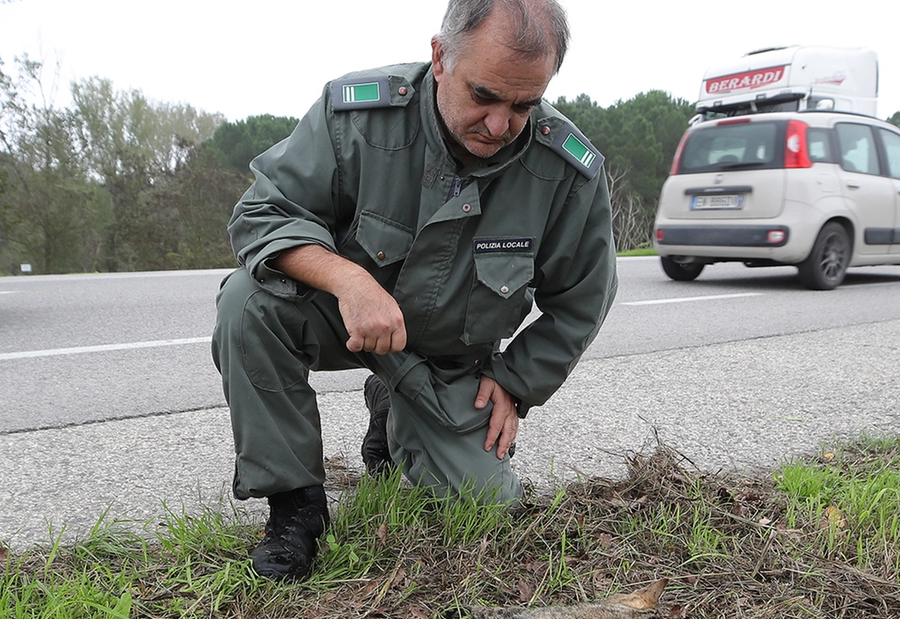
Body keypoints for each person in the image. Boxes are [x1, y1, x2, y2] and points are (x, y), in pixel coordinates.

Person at [212, 0, 618, 581]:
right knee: (247, 304)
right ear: (440, 56)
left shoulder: (565, 170)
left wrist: (516, 381)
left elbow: (584, 296)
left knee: (488, 508)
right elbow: (263, 214)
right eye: (483, 95)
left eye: (523, 104)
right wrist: (347, 278)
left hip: (450, 361)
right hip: (349, 322)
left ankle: (392, 406)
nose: (500, 125)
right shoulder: (357, 117)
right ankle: (295, 505)